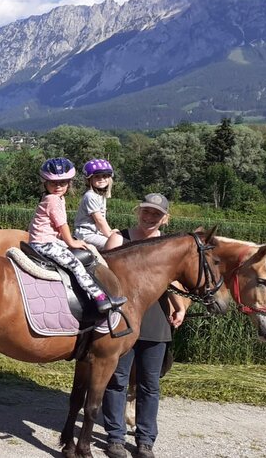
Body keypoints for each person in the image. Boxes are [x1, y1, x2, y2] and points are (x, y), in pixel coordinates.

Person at [102, 193, 188, 458]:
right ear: (138, 212)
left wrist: (181, 306)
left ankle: (145, 440)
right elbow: (102, 274)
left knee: (149, 384)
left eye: (156, 214)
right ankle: (115, 437)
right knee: (117, 379)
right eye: (146, 212)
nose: (150, 217)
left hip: (155, 320)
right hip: (122, 319)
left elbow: (172, 282)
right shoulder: (120, 238)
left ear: (165, 218)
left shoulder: (167, 246)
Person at [27, 157, 126, 313]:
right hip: (44, 243)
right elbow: (62, 225)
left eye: (63, 183)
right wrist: (71, 243)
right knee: (76, 265)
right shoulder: (53, 200)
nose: (58, 186)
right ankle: (100, 299)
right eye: (53, 183)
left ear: (69, 183)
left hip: (47, 240)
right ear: (45, 183)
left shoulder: (57, 198)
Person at [74, 158, 124, 251]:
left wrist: (110, 231)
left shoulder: (100, 196)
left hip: (96, 233)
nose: (101, 179)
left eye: (105, 176)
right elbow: (99, 220)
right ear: (89, 179)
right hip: (86, 234)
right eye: (97, 177)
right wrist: (110, 234)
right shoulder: (90, 196)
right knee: (115, 245)